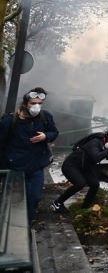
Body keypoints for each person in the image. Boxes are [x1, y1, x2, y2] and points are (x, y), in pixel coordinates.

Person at [0, 87, 59, 222]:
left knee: (34, 198)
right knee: (14, 202)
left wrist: (46, 136)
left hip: (35, 167)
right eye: (33, 103)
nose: (36, 107)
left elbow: (54, 132)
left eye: (40, 104)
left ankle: (28, 224)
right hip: (14, 169)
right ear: (26, 103)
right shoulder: (9, 121)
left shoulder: (45, 117)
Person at [50, 129, 108, 213]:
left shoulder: (107, 147)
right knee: (80, 183)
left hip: (84, 167)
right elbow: (96, 157)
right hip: (71, 165)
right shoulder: (95, 143)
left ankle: (85, 208)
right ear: (107, 139)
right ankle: (57, 203)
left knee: (95, 184)